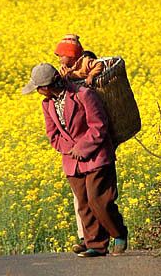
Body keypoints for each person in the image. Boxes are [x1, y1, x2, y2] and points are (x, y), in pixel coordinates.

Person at [21, 63, 127, 258]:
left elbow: (99, 126)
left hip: (96, 156)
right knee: (84, 203)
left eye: (38, 87)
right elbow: (53, 135)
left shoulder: (84, 95)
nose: (37, 91)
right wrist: (70, 150)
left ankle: (119, 233)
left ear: (47, 85)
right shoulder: (48, 104)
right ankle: (95, 245)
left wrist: (82, 147)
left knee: (98, 199)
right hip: (72, 161)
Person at [54, 34, 106, 251]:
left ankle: (99, 238)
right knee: (81, 200)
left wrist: (88, 80)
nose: (59, 61)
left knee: (95, 199)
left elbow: (101, 66)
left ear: (70, 55)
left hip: (88, 132)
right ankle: (86, 238)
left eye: (61, 56)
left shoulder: (85, 62)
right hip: (75, 146)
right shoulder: (64, 73)